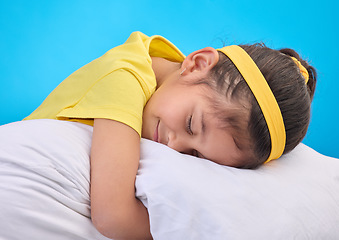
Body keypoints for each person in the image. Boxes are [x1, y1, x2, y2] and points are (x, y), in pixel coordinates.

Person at [24, 31, 317, 239]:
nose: (174, 146)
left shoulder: (176, 84)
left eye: (195, 155)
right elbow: (113, 217)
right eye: (191, 125)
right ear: (198, 63)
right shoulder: (123, 78)